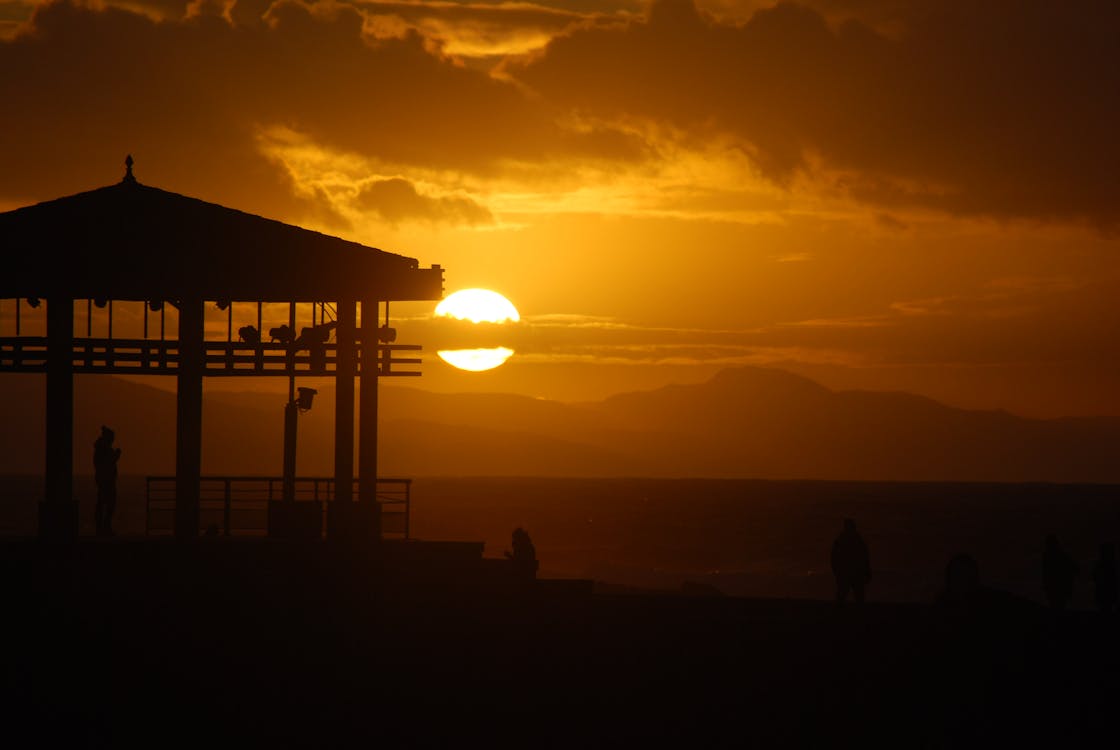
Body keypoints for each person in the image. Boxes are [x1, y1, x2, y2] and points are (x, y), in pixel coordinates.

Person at [831, 518, 871, 606]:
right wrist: (867, 571)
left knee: (844, 595)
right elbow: (864, 556)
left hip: (847, 572)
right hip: (854, 572)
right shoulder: (857, 539)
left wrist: (836, 571)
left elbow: (834, 558)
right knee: (856, 595)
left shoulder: (841, 539)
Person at [93, 425, 122, 536]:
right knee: (109, 503)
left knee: (103, 502)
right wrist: (117, 455)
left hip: (104, 479)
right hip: (106, 480)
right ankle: (104, 526)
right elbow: (109, 462)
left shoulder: (101, 448)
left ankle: (102, 526)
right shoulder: (104, 449)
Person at [1042, 534, 1079, 610]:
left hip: (1055, 588)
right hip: (1059, 588)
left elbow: (1045, 574)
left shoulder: (1048, 557)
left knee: (1056, 606)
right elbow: (1075, 568)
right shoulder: (1062, 555)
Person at [1091, 543, 1117, 614]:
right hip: (1108, 594)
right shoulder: (1113, 565)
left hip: (1103, 594)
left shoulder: (1101, 566)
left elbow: (1094, 577)